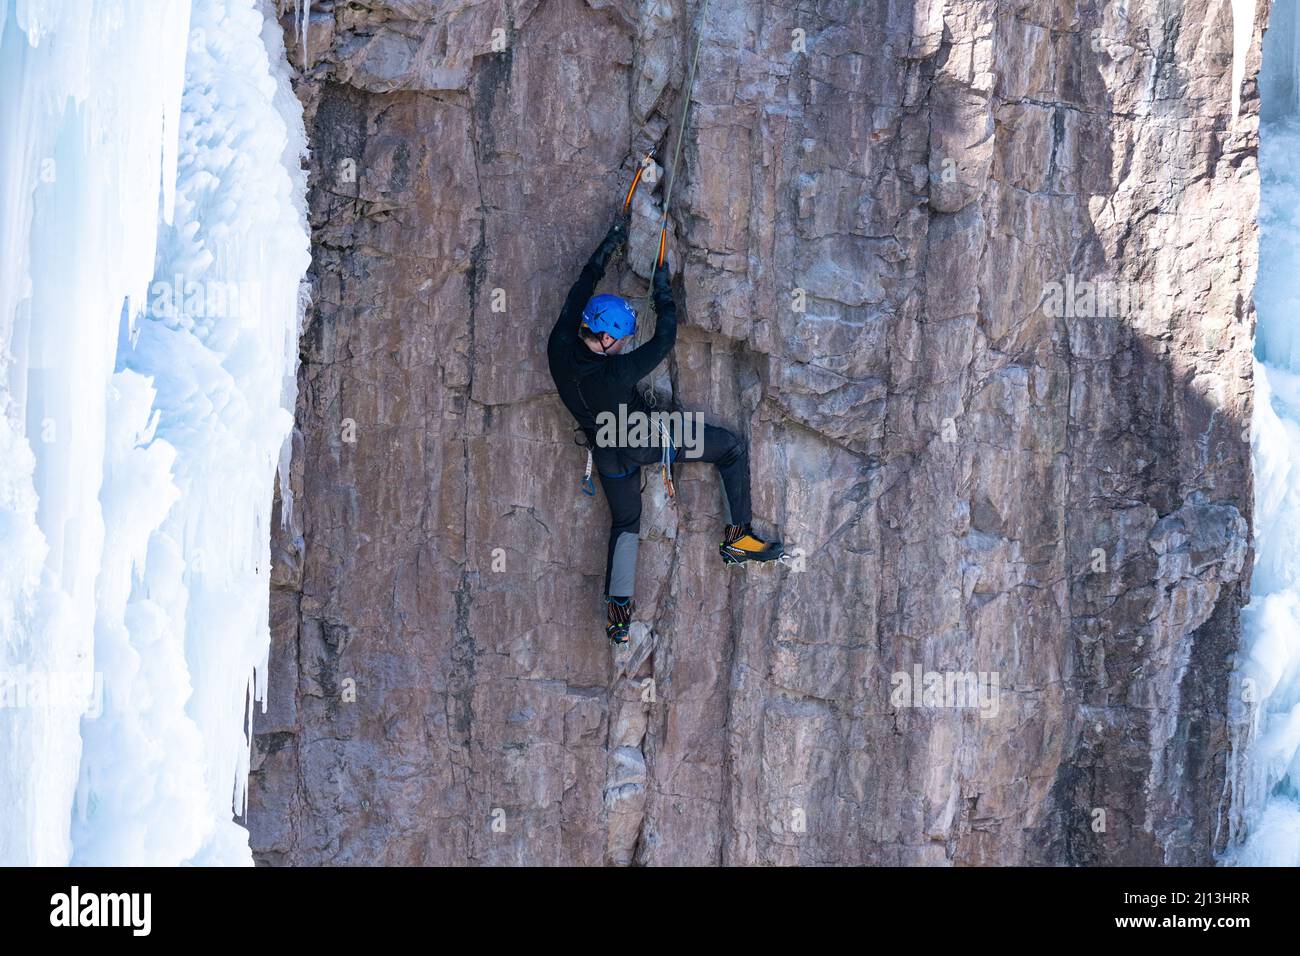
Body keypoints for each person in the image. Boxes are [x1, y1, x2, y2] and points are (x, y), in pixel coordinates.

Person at [547, 214, 783, 645]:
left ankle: (619, 615)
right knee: (728, 447)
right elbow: (664, 342)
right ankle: (738, 537)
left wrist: (609, 242)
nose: (624, 346)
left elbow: (583, 281)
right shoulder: (616, 373)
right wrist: (663, 293)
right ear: (604, 339)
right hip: (642, 438)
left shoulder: (558, 344)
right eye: (620, 340)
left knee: (626, 521)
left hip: (604, 449)